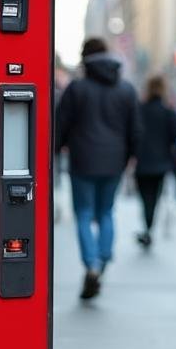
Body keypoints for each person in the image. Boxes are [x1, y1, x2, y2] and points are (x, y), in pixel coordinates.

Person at [55, 38, 141, 300]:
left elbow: (60, 125)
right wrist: (131, 157)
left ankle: (91, 264)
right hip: (114, 161)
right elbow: (135, 129)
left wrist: (57, 150)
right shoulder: (126, 89)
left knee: (83, 213)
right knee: (106, 212)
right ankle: (102, 261)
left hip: (82, 160)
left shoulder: (77, 88)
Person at [133, 75, 176, 248]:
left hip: (142, 162)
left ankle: (147, 229)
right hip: (161, 164)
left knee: (145, 198)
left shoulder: (140, 109)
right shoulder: (168, 111)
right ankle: (148, 229)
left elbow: (132, 133)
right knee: (155, 198)